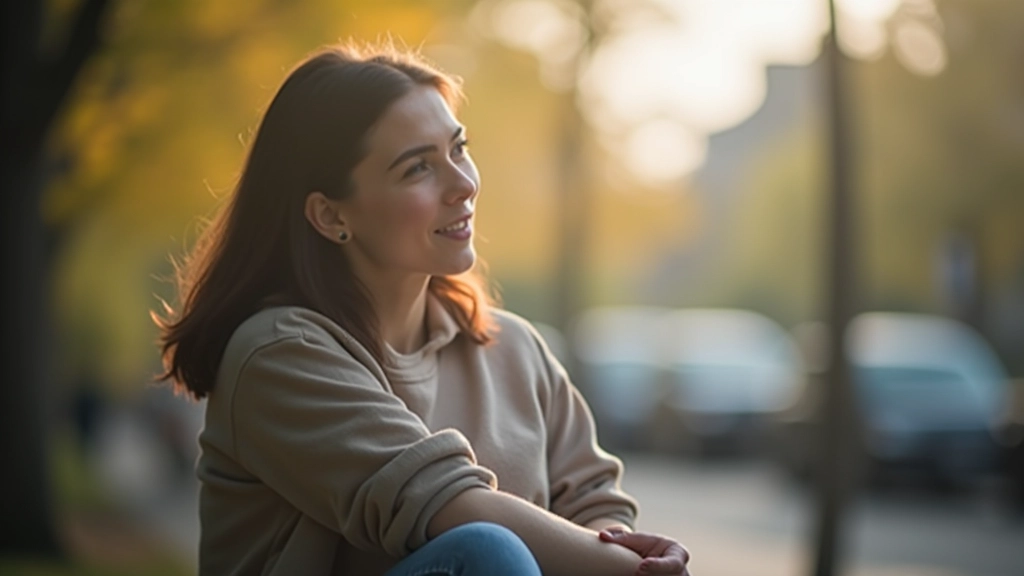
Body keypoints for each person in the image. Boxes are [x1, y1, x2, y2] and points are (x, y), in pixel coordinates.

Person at [154, 41, 692, 576]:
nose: (463, 185)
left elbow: (594, 505)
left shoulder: (516, 348)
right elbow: (443, 503)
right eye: (417, 169)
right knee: (484, 552)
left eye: (458, 149)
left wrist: (617, 548)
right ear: (330, 215)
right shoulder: (277, 354)